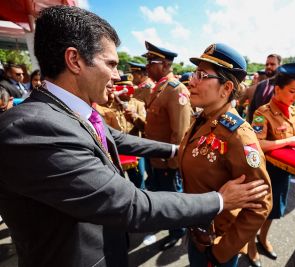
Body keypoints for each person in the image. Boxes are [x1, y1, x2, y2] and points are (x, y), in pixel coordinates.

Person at [0, 6, 269, 267]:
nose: (119, 75)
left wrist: (176, 151)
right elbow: (131, 204)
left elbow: (116, 138)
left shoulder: (66, 111)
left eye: (202, 75)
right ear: (74, 60)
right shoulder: (33, 128)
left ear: (227, 88)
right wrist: (220, 201)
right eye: (111, 64)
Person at [180, 43, 272, 267]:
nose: (192, 81)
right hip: (196, 232)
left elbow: (260, 204)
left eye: (202, 75)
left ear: (226, 88)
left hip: (215, 245)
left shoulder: (238, 136)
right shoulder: (204, 120)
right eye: (195, 73)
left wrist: (221, 251)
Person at [248, 63, 295, 265]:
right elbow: (256, 143)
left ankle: (263, 238)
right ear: (277, 89)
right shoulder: (262, 113)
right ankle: (249, 245)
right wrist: (287, 141)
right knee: (256, 212)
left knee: (274, 211)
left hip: (284, 173)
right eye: (292, 91)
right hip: (264, 173)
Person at [142, 41, 193, 250]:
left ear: (163, 65)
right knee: (161, 196)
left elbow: (179, 134)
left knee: (172, 198)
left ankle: (177, 231)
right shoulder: (160, 87)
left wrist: (172, 164)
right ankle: (167, 224)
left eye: (150, 62)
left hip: (167, 162)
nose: (147, 67)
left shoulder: (175, 89)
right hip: (156, 158)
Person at [247, 54, 281, 123]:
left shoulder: (284, 87)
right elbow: (252, 108)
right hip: (257, 127)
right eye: (267, 64)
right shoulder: (261, 85)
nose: (268, 66)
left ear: (279, 66)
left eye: (272, 64)